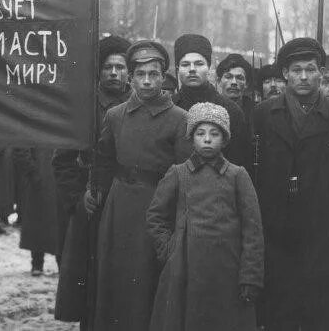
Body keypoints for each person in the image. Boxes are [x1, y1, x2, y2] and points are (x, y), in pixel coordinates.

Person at [253, 37, 329, 330]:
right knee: (280, 314)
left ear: (321, 73)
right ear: (285, 74)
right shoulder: (263, 115)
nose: (304, 76)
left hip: (325, 238)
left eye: (311, 69)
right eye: (297, 70)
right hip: (277, 236)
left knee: (321, 314)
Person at [91, 40, 191, 331]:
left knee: (146, 277)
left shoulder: (179, 119)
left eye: (154, 74)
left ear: (163, 77)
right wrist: (95, 188)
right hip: (119, 206)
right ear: (130, 78)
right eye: (140, 75)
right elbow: (104, 159)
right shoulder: (115, 115)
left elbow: (184, 173)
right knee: (116, 275)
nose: (147, 81)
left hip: (156, 207)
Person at [147, 102, 263, 331]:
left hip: (227, 270)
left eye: (215, 133)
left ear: (225, 138)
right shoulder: (178, 173)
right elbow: (155, 216)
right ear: (191, 138)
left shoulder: (238, 175)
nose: (207, 139)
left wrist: (250, 275)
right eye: (200, 133)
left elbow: (253, 229)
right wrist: (170, 250)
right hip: (184, 269)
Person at [54, 34, 131, 329]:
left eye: (121, 68)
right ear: (98, 70)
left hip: (125, 202)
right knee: (89, 281)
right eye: (109, 67)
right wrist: (77, 198)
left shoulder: (136, 103)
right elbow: (62, 160)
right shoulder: (84, 106)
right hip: (91, 204)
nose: (115, 73)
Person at [172, 34, 252, 171]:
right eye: (185, 64)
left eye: (199, 63)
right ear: (178, 69)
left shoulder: (230, 110)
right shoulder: (169, 107)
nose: (192, 69)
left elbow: (239, 165)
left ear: (209, 67)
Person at [14, 147, 59, 276]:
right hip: (39, 183)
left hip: (58, 181)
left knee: (60, 225)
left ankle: (61, 262)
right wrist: (32, 172)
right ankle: (37, 262)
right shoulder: (34, 128)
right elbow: (20, 150)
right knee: (38, 222)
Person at [216, 53, 254, 119]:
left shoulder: (255, 112)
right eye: (228, 77)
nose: (234, 82)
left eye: (239, 78)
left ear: (246, 84)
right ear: (219, 81)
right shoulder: (210, 109)